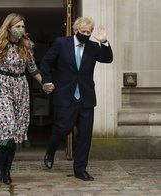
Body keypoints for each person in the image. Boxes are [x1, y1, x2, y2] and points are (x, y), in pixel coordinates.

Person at [40, 16, 113, 181]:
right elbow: (46, 62)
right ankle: (51, 150)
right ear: (76, 30)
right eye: (83, 31)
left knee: (85, 135)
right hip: (66, 96)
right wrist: (48, 80)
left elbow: (108, 59)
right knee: (62, 129)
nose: (86, 34)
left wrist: (104, 41)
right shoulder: (61, 43)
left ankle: (80, 170)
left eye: (89, 32)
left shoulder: (94, 47)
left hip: (86, 98)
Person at [0, 13, 42, 185]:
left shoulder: (27, 45)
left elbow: (32, 69)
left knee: (17, 131)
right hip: (3, 85)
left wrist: (44, 83)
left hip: (22, 87)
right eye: (17, 27)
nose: (21, 30)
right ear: (9, 27)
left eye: (23, 27)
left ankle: (7, 169)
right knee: (7, 127)